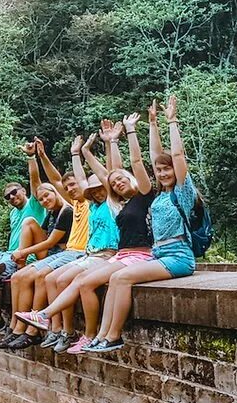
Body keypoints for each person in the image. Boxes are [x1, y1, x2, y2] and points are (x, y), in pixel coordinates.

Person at [16, 113, 154, 354]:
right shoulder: (107, 203)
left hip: (113, 254)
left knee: (79, 282)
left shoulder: (133, 199)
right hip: (111, 255)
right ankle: (51, 321)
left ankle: (82, 332)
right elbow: (88, 179)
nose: (114, 184)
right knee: (66, 280)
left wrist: (114, 141)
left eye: (119, 181)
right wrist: (81, 153)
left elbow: (118, 169)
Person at [85, 95, 201, 354]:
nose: (163, 173)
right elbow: (146, 159)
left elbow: (178, 155)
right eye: (159, 171)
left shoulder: (182, 191)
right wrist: (149, 125)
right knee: (115, 277)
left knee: (123, 277)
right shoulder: (158, 194)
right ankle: (102, 336)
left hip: (179, 256)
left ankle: (114, 335)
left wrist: (171, 121)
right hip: (159, 255)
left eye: (167, 170)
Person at [0, 138, 92, 350]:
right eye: (40, 199)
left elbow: (54, 181)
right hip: (60, 253)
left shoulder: (74, 205)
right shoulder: (53, 212)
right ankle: (16, 327)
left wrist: (41, 156)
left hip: (73, 253)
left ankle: (34, 330)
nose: (44, 200)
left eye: (47, 195)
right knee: (18, 277)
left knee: (42, 277)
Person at [0, 141, 48, 335]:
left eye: (14, 193)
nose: (12, 197)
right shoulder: (13, 214)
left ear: (23, 191)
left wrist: (31, 157)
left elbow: (35, 180)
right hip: (7, 254)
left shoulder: (34, 206)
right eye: (8, 197)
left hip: (23, 256)